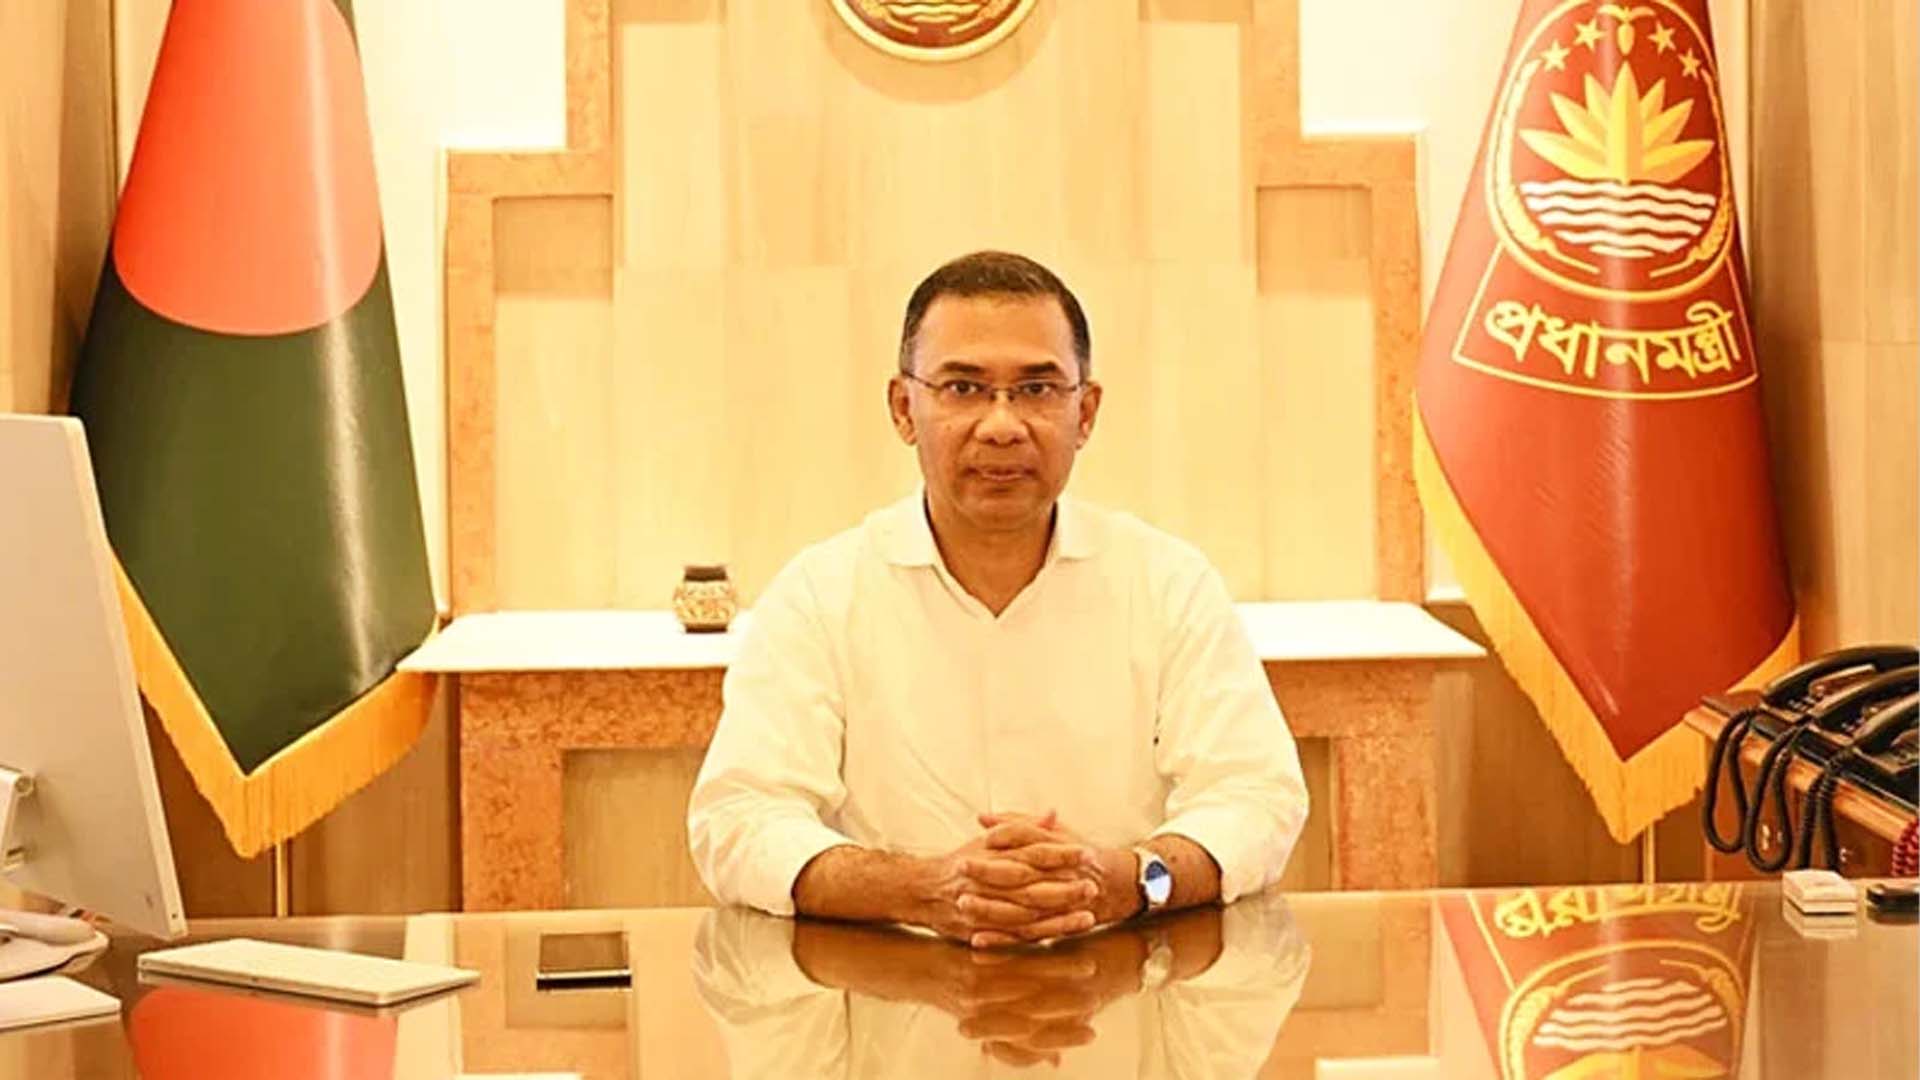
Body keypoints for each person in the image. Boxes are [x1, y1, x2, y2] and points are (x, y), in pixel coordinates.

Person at [687, 251, 1308, 948]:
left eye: (1037, 389)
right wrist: (925, 889)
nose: (1002, 425)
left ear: (1085, 412)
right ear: (904, 408)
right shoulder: (820, 594)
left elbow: (1255, 799)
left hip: (1120, 976)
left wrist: (1132, 881)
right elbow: (739, 819)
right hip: (894, 985)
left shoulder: (1168, 584)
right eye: (963, 388)